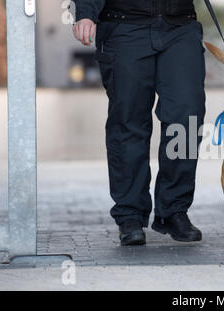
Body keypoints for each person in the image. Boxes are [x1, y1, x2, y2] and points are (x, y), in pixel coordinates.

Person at [73, 0, 206, 246]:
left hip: (180, 25)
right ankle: (130, 214)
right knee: (128, 122)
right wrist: (85, 13)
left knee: (187, 118)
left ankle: (174, 209)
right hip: (124, 26)